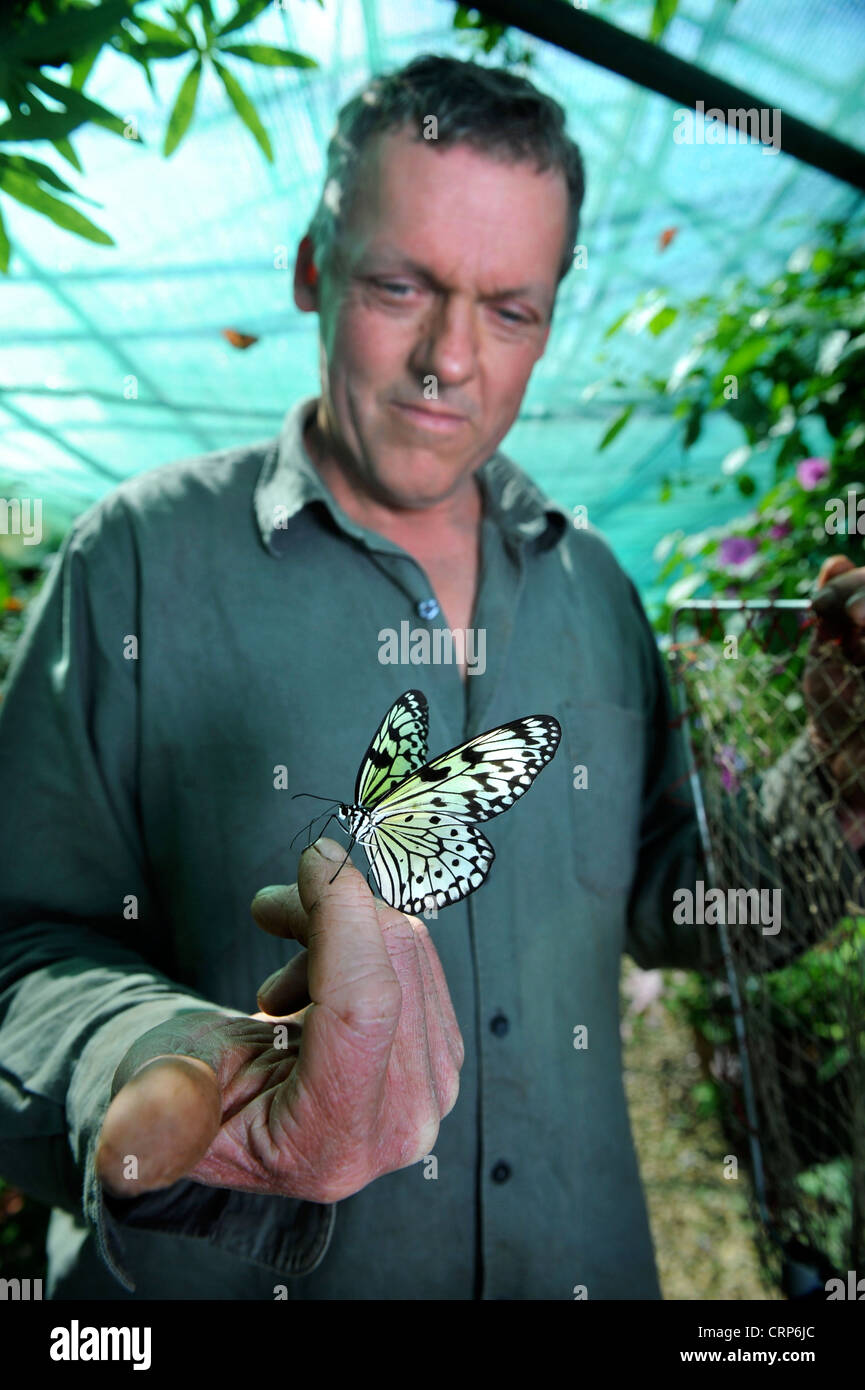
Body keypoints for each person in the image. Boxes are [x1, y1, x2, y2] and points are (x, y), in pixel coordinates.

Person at [0, 54, 863, 1302]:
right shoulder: (136, 559)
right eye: (400, 285)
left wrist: (837, 763)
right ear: (311, 269)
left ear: (552, 318)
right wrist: (152, 1053)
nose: (447, 360)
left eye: (508, 310)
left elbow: (687, 904)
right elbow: (17, 933)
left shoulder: (595, 588)